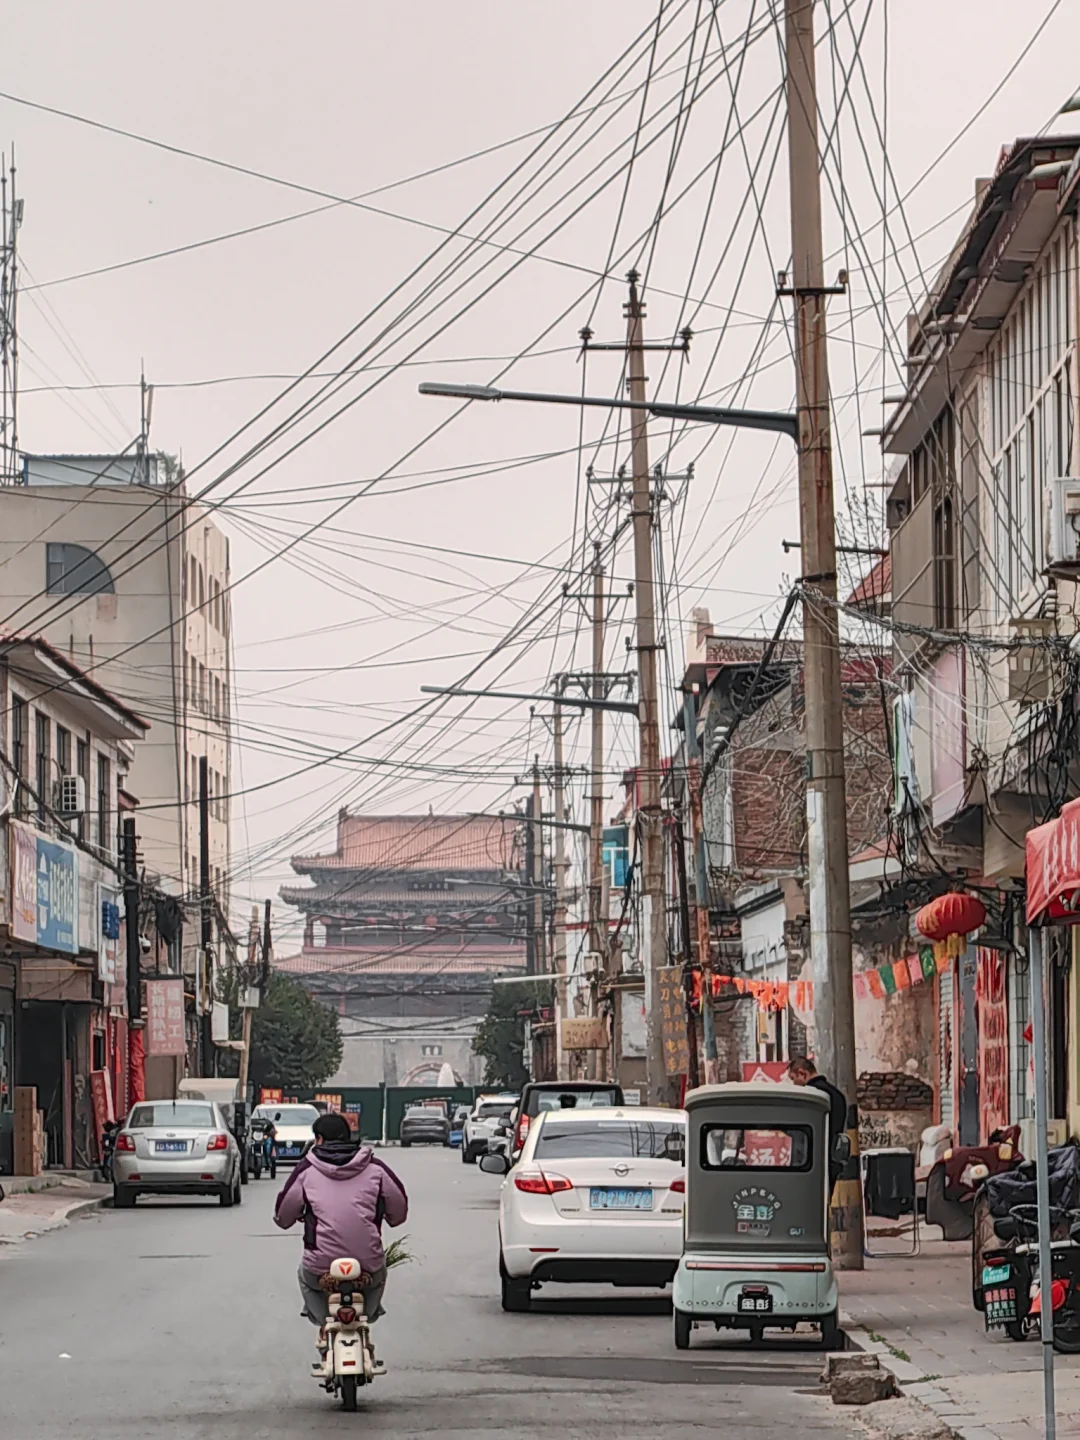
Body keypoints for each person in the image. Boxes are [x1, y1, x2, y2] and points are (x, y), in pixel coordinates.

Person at [275, 1112, 408, 1373]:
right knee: (378, 1277)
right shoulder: (376, 1168)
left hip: (320, 1265)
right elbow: (399, 1213)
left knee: (305, 1277)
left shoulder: (306, 1171)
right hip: (367, 1263)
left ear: (319, 1140)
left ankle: (325, 1322)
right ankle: (365, 1317)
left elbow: (283, 1217)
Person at [787, 1056, 848, 1187]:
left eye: (793, 1078)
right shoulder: (838, 1096)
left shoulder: (809, 1098)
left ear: (802, 1074)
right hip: (830, 1165)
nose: (794, 1084)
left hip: (806, 1167)